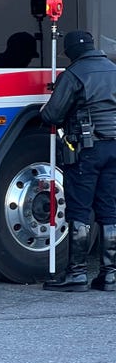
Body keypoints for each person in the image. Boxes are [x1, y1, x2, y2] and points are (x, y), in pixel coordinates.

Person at [40, 30, 116, 292]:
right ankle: (109, 276)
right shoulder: (113, 69)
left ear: (71, 51)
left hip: (87, 149)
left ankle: (77, 274)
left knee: (80, 211)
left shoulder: (73, 74)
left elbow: (52, 115)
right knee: (109, 210)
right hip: (114, 147)